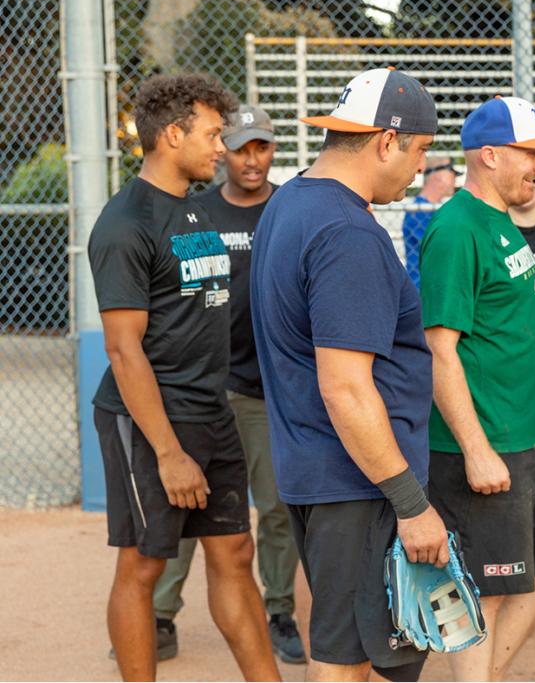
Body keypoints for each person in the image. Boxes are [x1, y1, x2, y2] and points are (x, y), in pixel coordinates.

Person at [250, 67, 450, 682]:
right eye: (418, 151)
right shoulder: (346, 230)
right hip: (358, 481)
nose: (421, 169)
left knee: (345, 648)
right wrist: (412, 505)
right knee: (351, 661)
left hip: (320, 471)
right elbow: (345, 386)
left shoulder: (290, 200)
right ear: (386, 141)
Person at [87, 73, 280, 682]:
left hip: (211, 408)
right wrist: (168, 454)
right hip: (149, 419)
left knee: (235, 551)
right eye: (213, 134)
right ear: (172, 135)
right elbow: (123, 351)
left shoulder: (196, 205)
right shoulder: (125, 223)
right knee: (143, 566)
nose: (222, 147)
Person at [419, 96, 535, 681]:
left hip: (529, 434)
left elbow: (512, 309)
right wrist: (477, 449)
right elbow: (441, 350)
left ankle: (482, 676)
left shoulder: (503, 222)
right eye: (529, 154)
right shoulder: (457, 227)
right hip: (485, 442)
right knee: (482, 593)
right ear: (488, 155)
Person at [148, 103, 304, 665]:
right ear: (225, 153)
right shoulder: (198, 213)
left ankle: (279, 609)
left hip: (273, 388)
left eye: (261, 146)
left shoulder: (289, 207)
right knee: (190, 505)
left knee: (278, 506)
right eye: (239, 147)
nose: (251, 159)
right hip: (210, 386)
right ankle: (161, 615)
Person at [402, 154, 460, 287]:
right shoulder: (418, 210)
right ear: (439, 175)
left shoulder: (433, 209)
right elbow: (443, 251)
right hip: (423, 287)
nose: (455, 180)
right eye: (452, 173)